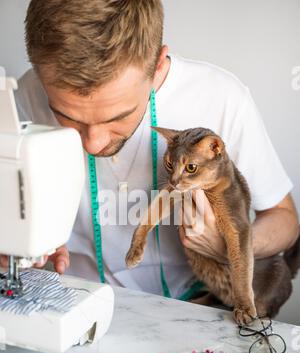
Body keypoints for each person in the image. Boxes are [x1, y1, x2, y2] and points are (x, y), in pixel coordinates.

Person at [8, 0, 299, 299]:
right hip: (72, 292)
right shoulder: (23, 94)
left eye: (118, 117)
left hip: (195, 303)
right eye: (67, 116)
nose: (92, 143)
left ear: (158, 65)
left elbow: (285, 220)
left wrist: (227, 245)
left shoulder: (222, 98)